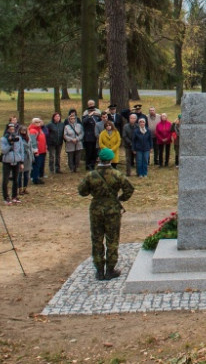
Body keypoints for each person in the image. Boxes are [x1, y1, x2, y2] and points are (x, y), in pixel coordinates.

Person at [78, 148, 135, 281]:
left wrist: (93, 192)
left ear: (99, 159)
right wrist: (121, 199)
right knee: (112, 239)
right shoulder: (117, 174)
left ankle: (99, 271)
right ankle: (110, 269)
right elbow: (129, 189)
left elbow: (82, 191)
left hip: (96, 209)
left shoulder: (91, 175)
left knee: (97, 239)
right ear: (110, 159)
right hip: (112, 210)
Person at [0, 123, 26, 205]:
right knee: (6, 180)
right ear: (7, 129)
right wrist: (10, 144)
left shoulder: (18, 138)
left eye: (13, 129)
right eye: (10, 129)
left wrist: (21, 161)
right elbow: (3, 151)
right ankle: (6, 197)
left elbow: (21, 150)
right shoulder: (3, 139)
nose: (12, 130)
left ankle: (14, 196)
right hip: (7, 161)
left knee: (16, 179)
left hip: (16, 160)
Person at [81, 102, 101, 170]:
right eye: (91, 110)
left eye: (93, 110)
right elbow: (83, 122)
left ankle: (92, 165)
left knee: (94, 152)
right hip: (89, 138)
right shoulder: (86, 117)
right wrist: (89, 116)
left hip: (95, 137)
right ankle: (88, 165)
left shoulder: (97, 117)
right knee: (89, 152)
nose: (92, 112)